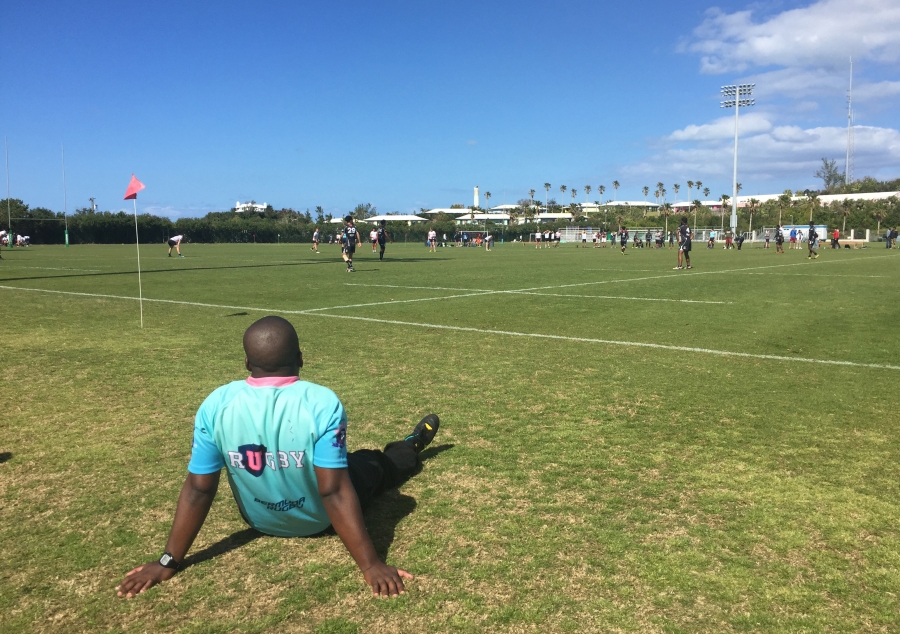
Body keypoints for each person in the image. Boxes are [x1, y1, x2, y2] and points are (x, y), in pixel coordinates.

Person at [115, 316, 440, 600]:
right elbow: (334, 491)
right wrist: (371, 565)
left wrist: (166, 562)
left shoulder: (215, 404)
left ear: (247, 363)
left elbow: (199, 489)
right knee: (371, 464)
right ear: (300, 358)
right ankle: (409, 445)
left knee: (345, 464)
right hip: (319, 522)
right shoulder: (322, 402)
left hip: (259, 521)